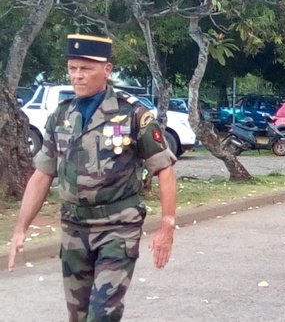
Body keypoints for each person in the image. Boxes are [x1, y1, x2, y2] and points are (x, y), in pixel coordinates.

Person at [7, 34, 178, 321]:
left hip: (118, 227)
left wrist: (167, 226)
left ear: (106, 70)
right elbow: (42, 174)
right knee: (78, 315)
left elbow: (165, 169)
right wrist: (20, 229)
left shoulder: (133, 114)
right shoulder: (61, 115)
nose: (77, 76)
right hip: (74, 228)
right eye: (73, 68)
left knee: (102, 314)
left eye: (85, 68)